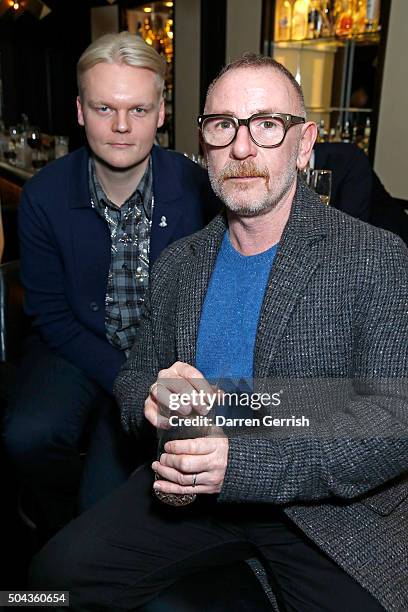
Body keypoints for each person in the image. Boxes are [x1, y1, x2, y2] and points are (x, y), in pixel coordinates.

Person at [30, 54, 408, 612]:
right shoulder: (180, 263)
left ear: (304, 145)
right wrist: (154, 401)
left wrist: (243, 465)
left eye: (267, 125)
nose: (243, 147)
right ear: (204, 144)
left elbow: (389, 423)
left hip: (326, 515)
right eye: (223, 124)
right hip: (191, 493)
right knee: (43, 586)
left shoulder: (374, 258)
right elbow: (136, 377)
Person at [3, 32, 220, 539]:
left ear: (162, 112)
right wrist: (126, 377)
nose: (121, 127)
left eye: (138, 110)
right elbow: (52, 316)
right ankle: (50, 515)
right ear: (80, 111)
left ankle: (86, 523)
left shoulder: (199, 190)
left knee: (104, 510)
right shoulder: (43, 195)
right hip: (77, 346)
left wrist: (154, 377)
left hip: (165, 357)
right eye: (104, 108)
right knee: (26, 435)